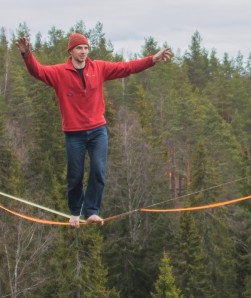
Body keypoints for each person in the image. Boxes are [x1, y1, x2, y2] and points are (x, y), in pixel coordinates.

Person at [17, 31, 172, 227]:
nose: (83, 52)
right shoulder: (59, 73)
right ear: (71, 51)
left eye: (86, 48)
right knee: (75, 174)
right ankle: (74, 212)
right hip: (74, 134)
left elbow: (127, 67)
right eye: (79, 48)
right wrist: (26, 54)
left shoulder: (98, 68)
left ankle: (92, 211)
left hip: (98, 130)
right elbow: (37, 71)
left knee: (98, 170)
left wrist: (153, 59)